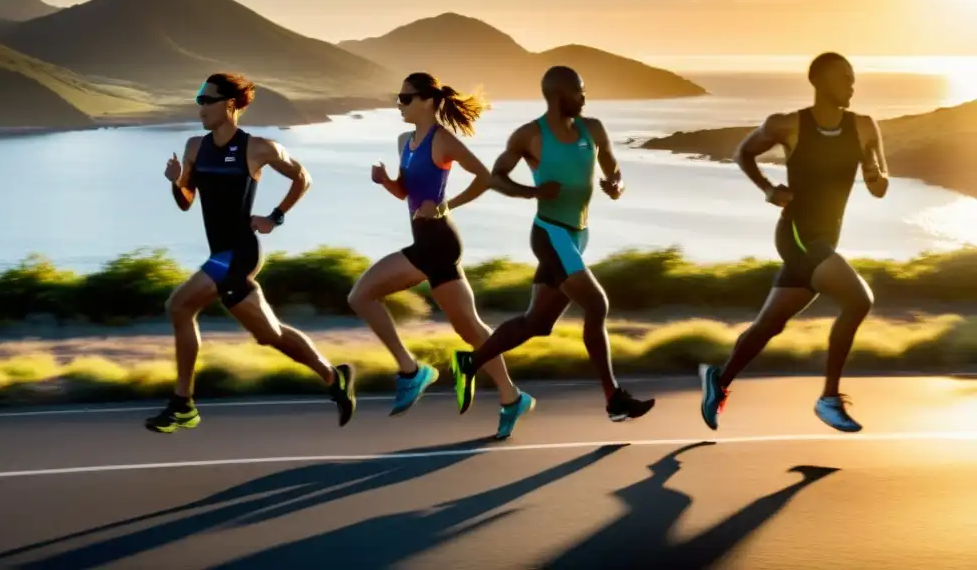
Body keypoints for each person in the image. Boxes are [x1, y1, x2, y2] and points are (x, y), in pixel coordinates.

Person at [145, 72, 356, 433]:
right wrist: (177, 181)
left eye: (207, 100)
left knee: (179, 306)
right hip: (220, 253)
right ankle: (334, 378)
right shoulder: (195, 147)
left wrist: (276, 216)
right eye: (199, 100)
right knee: (269, 334)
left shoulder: (257, 148)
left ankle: (183, 405)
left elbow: (302, 176)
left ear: (229, 104)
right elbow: (186, 202)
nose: (201, 108)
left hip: (240, 252)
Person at [449, 66, 656, 423]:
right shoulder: (530, 135)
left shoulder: (593, 129)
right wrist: (532, 192)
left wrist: (617, 186)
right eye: (580, 91)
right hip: (550, 233)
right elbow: (494, 177)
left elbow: (614, 171)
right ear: (561, 95)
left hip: (577, 234)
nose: (585, 97)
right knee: (596, 304)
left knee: (537, 323)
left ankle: (470, 362)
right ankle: (614, 399)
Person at [698, 52, 889, 434]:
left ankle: (718, 380)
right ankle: (829, 399)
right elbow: (744, 152)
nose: (852, 85)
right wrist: (769, 189)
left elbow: (881, 187)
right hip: (798, 235)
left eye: (853, 78)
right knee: (859, 299)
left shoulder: (865, 127)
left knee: (769, 325)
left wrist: (873, 172)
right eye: (844, 78)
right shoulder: (788, 124)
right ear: (819, 81)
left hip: (826, 238)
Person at [348, 72, 535, 440]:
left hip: (436, 242)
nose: (398, 104)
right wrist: (386, 181)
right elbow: (407, 193)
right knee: (471, 329)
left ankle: (411, 370)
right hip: (432, 243)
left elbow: (484, 176)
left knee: (361, 295)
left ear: (428, 101)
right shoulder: (405, 140)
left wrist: (446, 206)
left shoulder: (442, 141)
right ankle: (512, 397)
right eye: (398, 97)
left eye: (405, 98)